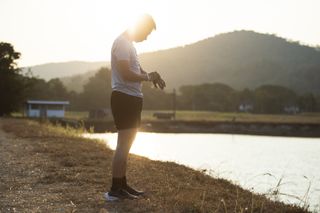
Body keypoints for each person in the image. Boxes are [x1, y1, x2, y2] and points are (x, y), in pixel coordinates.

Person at [105, 14, 166, 201]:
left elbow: (136, 71)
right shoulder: (122, 43)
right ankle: (115, 189)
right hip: (124, 98)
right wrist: (147, 78)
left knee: (127, 145)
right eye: (146, 32)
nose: (146, 37)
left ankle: (122, 184)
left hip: (131, 98)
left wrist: (151, 75)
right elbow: (126, 74)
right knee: (123, 145)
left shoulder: (129, 45)